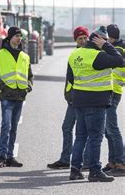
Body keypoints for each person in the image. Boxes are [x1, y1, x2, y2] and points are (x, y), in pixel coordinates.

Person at [68, 26, 123, 182]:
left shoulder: (75, 54)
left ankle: (75, 170)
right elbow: (119, 59)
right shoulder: (98, 56)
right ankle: (94, 171)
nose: (106, 43)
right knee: (95, 138)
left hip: (79, 101)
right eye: (104, 40)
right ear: (98, 40)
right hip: (96, 101)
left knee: (80, 137)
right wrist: (106, 46)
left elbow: (71, 78)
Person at [0, 26, 33, 168]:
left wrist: (29, 86)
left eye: (20, 36)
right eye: (16, 36)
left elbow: (29, 76)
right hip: (7, 96)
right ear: (10, 38)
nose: (19, 38)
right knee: (6, 126)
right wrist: (3, 87)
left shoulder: (25, 56)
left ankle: (10, 156)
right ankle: (1, 156)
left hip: (20, 96)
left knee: (13, 128)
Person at [47, 26, 89, 169]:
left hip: (86, 98)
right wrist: (68, 94)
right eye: (80, 38)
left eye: (85, 38)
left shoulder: (92, 53)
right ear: (75, 40)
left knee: (84, 132)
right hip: (73, 98)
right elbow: (69, 78)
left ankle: (85, 161)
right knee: (67, 128)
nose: (83, 41)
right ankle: (65, 159)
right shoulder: (74, 54)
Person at [102, 24, 125, 175]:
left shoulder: (118, 49)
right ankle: (112, 161)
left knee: (112, 128)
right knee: (108, 130)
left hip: (113, 91)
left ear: (111, 37)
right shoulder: (115, 47)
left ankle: (121, 163)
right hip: (109, 90)